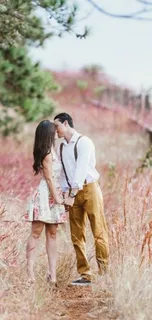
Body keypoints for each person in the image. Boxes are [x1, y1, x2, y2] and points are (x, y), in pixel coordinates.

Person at [54, 112, 109, 286]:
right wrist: (65, 194)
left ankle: (104, 273)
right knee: (76, 235)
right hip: (72, 192)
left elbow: (81, 169)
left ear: (65, 123)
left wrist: (71, 194)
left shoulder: (84, 142)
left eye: (57, 126)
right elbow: (63, 173)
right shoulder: (61, 147)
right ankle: (85, 274)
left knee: (98, 231)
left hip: (89, 189)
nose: (55, 130)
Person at [24, 120, 68, 284]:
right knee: (36, 233)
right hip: (45, 195)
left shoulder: (52, 150)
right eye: (54, 130)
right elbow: (48, 177)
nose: (56, 132)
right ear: (48, 133)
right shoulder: (47, 153)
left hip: (53, 192)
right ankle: (30, 274)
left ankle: (52, 274)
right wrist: (57, 198)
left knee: (52, 234)